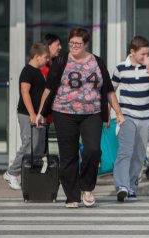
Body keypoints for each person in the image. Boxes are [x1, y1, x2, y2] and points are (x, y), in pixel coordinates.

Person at [36, 27, 125, 208]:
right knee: (69, 155)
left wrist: (118, 112)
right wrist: (40, 112)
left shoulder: (97, 62)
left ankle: (87, 187)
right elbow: (48, 89)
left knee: (93, 150)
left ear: (85, 44)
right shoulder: (61, 61)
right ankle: (72, 195)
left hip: (91, 114)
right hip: (63, 113)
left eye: (78, 43)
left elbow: (108, 90)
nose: (74, 46)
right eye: (71, 43)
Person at [112, 36, 149, 202]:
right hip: (127, 116)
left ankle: (132, 186)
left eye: (148, 54)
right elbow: (111, 92)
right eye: (143, 54)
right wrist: (109, 115)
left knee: (139, 154)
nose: (146, 57)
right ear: (132, 52)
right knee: (125, 151)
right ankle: (122, 186)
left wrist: (148, 69)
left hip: (145, 117)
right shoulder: (121, 67)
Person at [3, 42, 50, 190]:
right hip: (27, 114)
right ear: (36, 56)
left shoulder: (37, 72)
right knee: (29, 143)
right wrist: (32, 114)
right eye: (45, 57)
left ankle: (30, 176)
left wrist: (40, 114)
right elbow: (24, 92)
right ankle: (11, 173)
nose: (47, 60)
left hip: (37, 115)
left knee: (37, 147)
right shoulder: (28, 71)